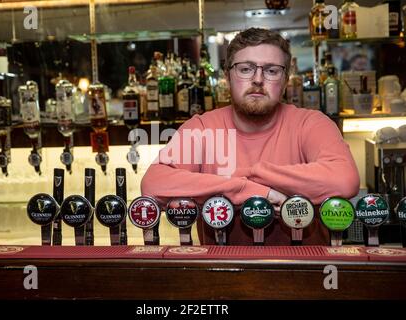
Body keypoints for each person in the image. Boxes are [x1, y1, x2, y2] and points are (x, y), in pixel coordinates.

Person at [141, 28, 360, 245]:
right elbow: (153, 184)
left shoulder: (311, 123)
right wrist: (245, 190)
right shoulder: (202, 128)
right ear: (227, 77)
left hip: (304, 271)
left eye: (272, 71)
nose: (257, 79)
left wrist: (252, 173)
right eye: (245, 69)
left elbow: (345, 181)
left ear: (285, 80)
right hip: (221, 273)